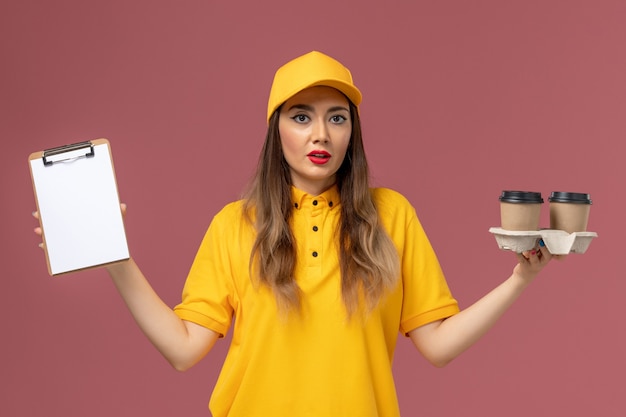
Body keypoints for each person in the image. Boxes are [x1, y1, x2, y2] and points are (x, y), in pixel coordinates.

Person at [33, 51, 552, 416]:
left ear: (353, 132)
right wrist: (117, 258)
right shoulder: (235, 224)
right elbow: (184, 349)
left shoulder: (392, 216)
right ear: (276, 128)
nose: (320, 134)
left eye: (337, 118)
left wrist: (519, 282)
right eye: (301, 117)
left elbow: (437, 344)